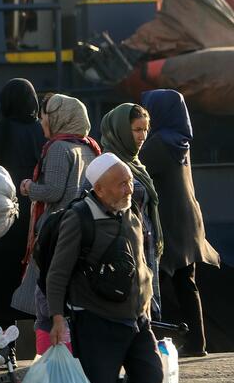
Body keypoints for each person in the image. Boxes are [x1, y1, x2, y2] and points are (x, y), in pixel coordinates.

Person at [47, 153, 160, 383]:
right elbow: (58, 273)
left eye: (129, 180)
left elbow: (141, 262)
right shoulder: (80, 218)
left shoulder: (132, 209)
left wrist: (148, 306)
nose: (129, 188)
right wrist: (56, 317)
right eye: (121, 183)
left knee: (150, 378)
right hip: (96, 321)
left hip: (138, 320)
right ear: (98, 188)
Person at [14, 93, 100, 354]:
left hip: (54, 235)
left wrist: (28, 187)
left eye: (45, 118)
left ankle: (47, 357)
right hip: (82, 233)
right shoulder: (89, 148)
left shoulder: (58, 149)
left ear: (59, 118)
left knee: (46, 304)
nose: (41, 123)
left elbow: (52, 192)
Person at [140, 89, 220, 357]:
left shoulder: (159, 142)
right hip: (187, 221)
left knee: (154, 283)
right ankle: (197, 344)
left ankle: (154, 343)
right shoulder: (180, 140)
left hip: (168, 223)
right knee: (187, 284)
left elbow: (134, 170)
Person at [0, 78, 46, 327]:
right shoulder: (45, 134)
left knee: (0, 282)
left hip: (1, 220)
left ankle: (4, 341)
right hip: (37, 220)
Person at [100, 103, 163, 318]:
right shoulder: (109, 164)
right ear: (121, 130)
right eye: (137, 130)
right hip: (125, 245)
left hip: (144, 242)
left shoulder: (135, 162)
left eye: (146, 129)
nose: (143, 135)